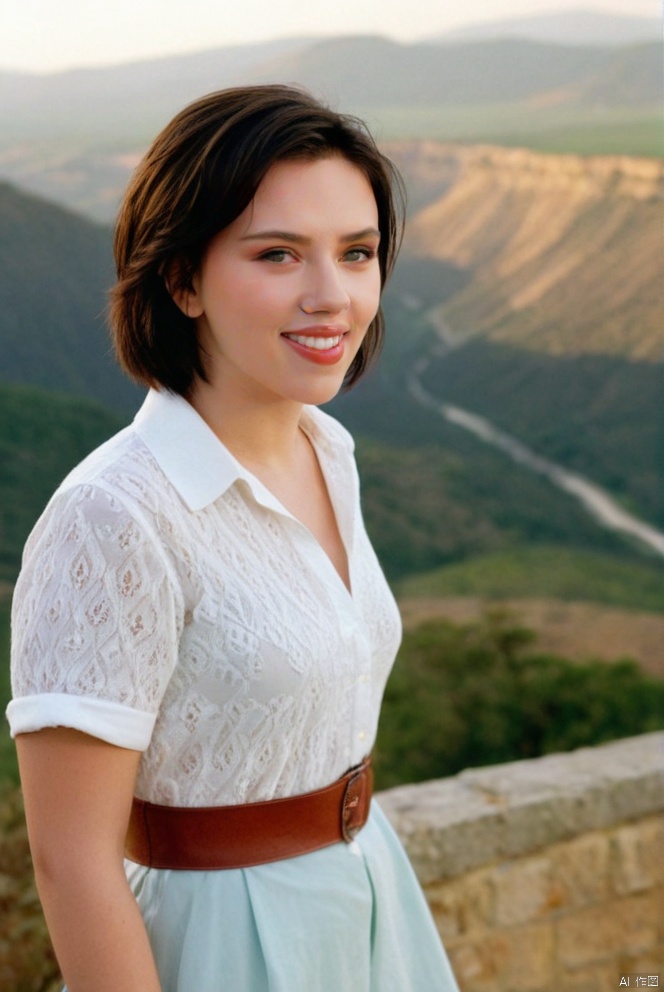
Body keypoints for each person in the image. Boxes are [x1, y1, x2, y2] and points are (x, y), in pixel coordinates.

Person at [8, 85, 460, 992]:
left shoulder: (327, 451)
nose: (332, 296)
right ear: (181, 280)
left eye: (358, 253)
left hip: (371, 899)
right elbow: (71, 862)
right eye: (279, 254)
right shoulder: (115, 514)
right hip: (222, 939)